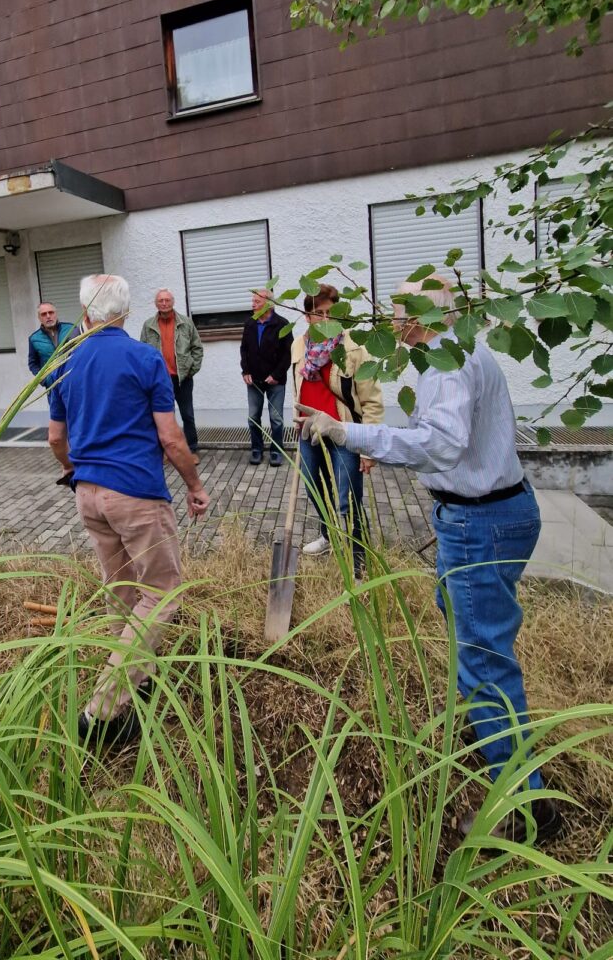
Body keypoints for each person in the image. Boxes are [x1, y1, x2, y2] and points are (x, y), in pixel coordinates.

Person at [296, 275, 561, 846]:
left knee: (484, 663)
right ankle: (491, 726)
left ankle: (524, 803)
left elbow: (441, 443)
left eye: (400, 313)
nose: (394, 323)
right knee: (460, 612)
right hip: (495, 511)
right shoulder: (458, 350)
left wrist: (351, 434)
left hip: (479, 520)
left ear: (423, 315)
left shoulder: (446, 361)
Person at [48, 273, 210, 750]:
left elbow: (57, 439)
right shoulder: (143, 358)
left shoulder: (67, 362)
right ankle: (101, 708)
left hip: (88, 494)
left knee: (120, 588)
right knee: (162, 592)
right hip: (136, 494)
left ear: (85, 313)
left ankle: (128, 700)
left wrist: (74, 470)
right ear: (123, 312)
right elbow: (171, 437)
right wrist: (195, 485)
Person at [292, 285, 383, 577]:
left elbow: (371, 399)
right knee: (315, 488)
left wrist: (369, 447)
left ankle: (359, 557)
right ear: (307, 316)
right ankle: (329, 537)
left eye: (331, 312)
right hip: (309, 429)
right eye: (318, 313)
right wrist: (296, 415)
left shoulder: (353, 347)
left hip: (344, 430)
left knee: (349, 498)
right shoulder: (298, 344)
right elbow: (298, 382)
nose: (325, 318)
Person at [140, 289, 204, 459]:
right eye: (161, 300)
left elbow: (197, 348)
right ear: (156, 303)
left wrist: (191, 369)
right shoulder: (148, 325)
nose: (164, 303)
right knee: (164, 417)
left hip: (182, 379)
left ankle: (191, 450)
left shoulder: (186, 323)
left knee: (187, 415)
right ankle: (166, 451)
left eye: (167, 300)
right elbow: (143, 352)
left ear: (173, 302)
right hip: (160, 380)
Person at [240, 290, 292, 466]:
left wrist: (276, 375)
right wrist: (245, 371)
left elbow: (287, 355)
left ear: (269, 304)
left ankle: (277, 451)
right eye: (252, 301)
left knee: (276, 419)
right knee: (253, 417)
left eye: (257, 301)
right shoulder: (250, 324)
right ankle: (256, 450)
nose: (252, 304)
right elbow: (244, 350)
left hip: (275, 381)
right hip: (253, 380)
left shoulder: (282, 324)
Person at [28, 303, 74, 387]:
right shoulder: (34, 338)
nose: (48, 316)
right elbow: (33, 364)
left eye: (51, 312)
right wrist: (44, 380)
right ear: (39, 318)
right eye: (44, 314)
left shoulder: (71, 329)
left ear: (56, 314)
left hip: (72, 381)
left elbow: (83, 351)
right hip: (52, 386)